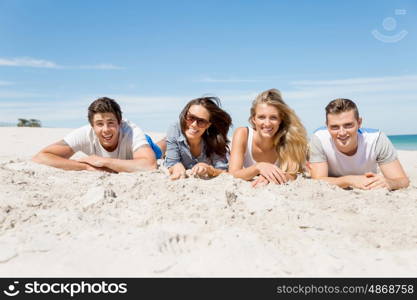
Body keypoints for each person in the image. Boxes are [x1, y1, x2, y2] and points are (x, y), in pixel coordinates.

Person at [32, 97, 164, 173]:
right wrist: (86, 166)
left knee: (159, 150)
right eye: (100, 124)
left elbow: (149, 165)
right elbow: (40, 157)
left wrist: (103, 161)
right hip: (127, 157)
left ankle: (168, 139)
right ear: (92, 126)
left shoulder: (132, 131)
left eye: (111, 123)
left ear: (120, 123)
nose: (106, 129)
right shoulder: (84, 133)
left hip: (141, 145)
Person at [309, 98, 409, 190]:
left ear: (359, 122)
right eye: (335, 127)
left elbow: (402, 180)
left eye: (348, 125)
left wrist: (389, 183)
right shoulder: (320, 138)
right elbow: (318, 180)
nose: (342, 132)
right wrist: (349, 180)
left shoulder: (376, 139)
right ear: (327, 126)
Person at [229, 89, 308, 187]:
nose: (267, 123)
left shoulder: (288, 139)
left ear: (280, 120)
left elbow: (293, 175)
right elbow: (233, 173)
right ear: (254, 119)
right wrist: (259, 167)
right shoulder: (243, 134)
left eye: (273, 118)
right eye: (261, 117)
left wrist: (271, 176)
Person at [164, 96, 232, 180]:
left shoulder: (214, 139)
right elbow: (171, 163)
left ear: (208, 125)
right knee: (161, 146)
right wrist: (177, 166)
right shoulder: (175, 129)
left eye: (201, 121)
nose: (194, 124)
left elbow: (223, 170)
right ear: (185, 114)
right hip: (169, 143)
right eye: (191, 117)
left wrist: (209, 169)